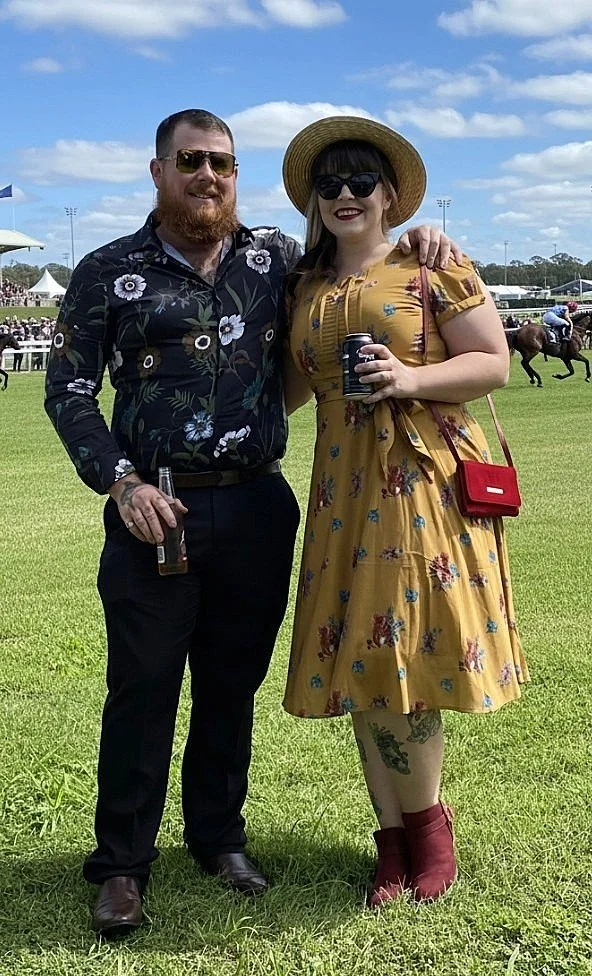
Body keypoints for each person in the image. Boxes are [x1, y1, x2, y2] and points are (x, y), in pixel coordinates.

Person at [44, 107, 463, 937]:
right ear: (158, 170)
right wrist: (120, 483)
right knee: (142, 689)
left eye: (224, 164)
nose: (209, 176)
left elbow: (361, 257)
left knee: (230, 687)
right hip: (152, 511)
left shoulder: (275, 258)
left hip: (256, 503)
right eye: (191, 161)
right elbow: (67, 391)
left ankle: (218, 839)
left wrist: (427, 244)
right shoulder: (106, 272)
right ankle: (123, 865)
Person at [281, 116, 529, 907]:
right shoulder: (306, 286)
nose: (346, 194)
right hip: (338, 492)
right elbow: (287, 391)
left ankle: (428, 832)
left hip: (416, 485)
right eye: (330, 184)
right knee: (359, 659)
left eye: (361, 181)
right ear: (314, 202)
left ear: (390, 194)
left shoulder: (431, 264)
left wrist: (407, 379)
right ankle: (390, 841)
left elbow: (493, 362)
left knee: (403, 662)